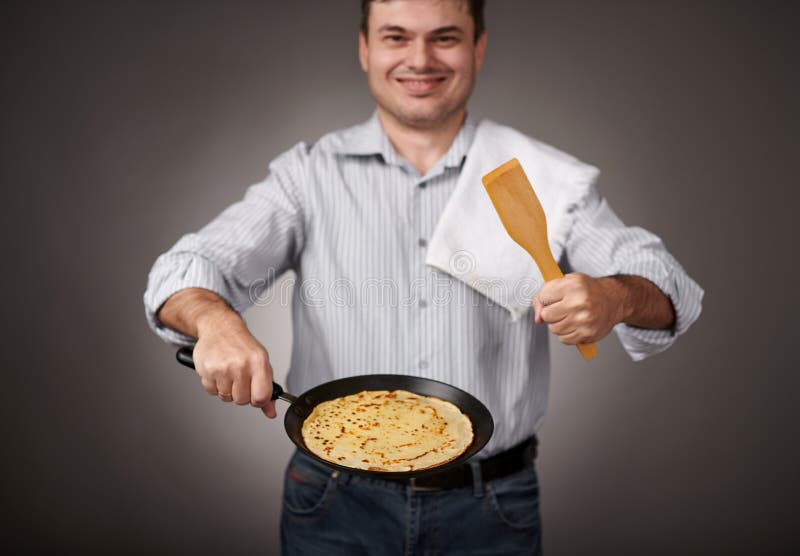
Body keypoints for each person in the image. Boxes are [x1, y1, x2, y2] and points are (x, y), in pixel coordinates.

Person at [144, 1, 703, 554]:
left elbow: (665, 284)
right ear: (365, 48)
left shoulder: (541, 178)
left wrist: (613, 295)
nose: (420, 58)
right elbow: (186, 270)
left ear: (478, 47)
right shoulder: (307, 176)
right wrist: (214, 320)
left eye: (444, 37)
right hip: (333, 502)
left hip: (492, 506)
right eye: (395, 36)